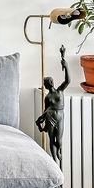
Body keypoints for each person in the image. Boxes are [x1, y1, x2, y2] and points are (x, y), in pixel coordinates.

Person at [35, 45, 70, 174]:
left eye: (47, 83)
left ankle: (59, 149)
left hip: (60, 116)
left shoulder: (60, 90)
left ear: (51, 83)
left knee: (59, 140)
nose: (46, 85)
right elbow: (45, 110)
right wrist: (41, 119)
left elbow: (68, 80)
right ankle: (54, 161)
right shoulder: (47, 96)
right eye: (46, 83)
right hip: (50, 117)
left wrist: (66, 67)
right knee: (51, 139)